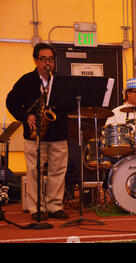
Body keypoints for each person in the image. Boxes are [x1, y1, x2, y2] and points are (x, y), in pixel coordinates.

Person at [6, 43, 69, 221]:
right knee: (34, 171)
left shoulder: (60, 81)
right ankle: (37, 208)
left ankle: (55, 205)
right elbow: (10, 102)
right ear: (35, 60)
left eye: (50, 59)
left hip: (58, 133)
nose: (47, 63)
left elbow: (68, 104)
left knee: (58, 171)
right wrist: (25, 116)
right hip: (35, 135)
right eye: (43, 59)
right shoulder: (26, 81)